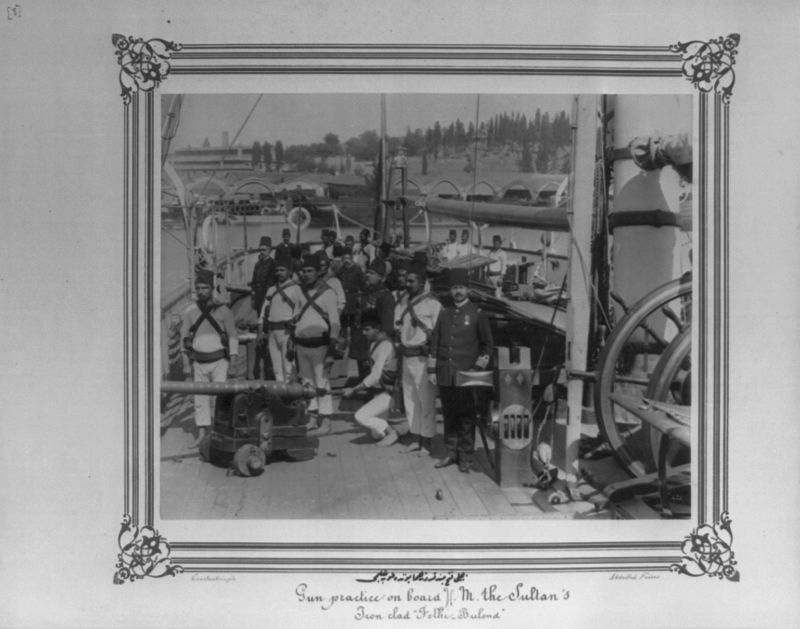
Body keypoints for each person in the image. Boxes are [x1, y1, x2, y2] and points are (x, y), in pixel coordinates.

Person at [429, 268, 493, 473]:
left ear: (468, 290)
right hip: (445, 373)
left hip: (466, 375)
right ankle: (451, 452)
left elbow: (487, 345)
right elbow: (435, 342)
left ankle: (466, 456)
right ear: (450, 290)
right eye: (455, 288)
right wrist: (432, 370)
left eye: (462, 287)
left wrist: (476, 368)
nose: (458, 291)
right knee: (449, 414)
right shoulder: (444, 313)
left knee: (466, 416)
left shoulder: (477, 314)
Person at [181, 269, 239, 447]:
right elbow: (184, 338)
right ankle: (201, 434)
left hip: (219, 361)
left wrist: (233, 361)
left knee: (221, 398)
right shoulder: (190, 311)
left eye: (205, 288)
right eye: (198, 288)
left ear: (212, 288)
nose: (201, 291)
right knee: (200, 400)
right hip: (199, 362)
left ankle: (220, 433)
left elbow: (232, 335)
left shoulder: (223, 310)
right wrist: (186, 364)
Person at [292, 253, 341, 437]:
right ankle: (312, 419)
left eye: (310, 271)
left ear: (318, 272)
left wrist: (331, 351)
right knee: (307, 383)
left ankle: (326, 422)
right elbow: (296, 316)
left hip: (320, 346)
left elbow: (335, 323)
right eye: (304, 271)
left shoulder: (328, 293)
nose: (306, 274)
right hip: (301, 345)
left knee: (322, 383)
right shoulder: (300, 292)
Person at [395, 263, 442, 456]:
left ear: (422, 283)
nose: (407, 284)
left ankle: (427, 441)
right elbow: (398, 328)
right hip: (406, 357)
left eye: (411, 281)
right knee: (410, 399)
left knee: (426, 401)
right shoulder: (403, 303)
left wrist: (434, 362)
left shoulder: (433, 304)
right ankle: (415, 437)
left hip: (423, 359)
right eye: (406, 280)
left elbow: (438, 334)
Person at [342, 310, 399, 447]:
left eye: (367, 329)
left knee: (360, 416)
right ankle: (397, 429)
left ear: (377, 328)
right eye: (363, 329)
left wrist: (354, 390)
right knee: (376, 435)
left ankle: (392, 433)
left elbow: (375, 376)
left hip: (390, 393)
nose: (364, 333)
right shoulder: (374, 344)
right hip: (379, 392)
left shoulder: (385, 345)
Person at [348, 258, 395, 380]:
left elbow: (387, 326)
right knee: (363, 378)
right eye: (367, 272)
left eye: (372, 273)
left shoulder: (386, 296)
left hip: (375, 344)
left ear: (381, 278)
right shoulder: (364, 293)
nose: (368, 275)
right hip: (362, 343)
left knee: (375, 380)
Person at [256, 255, 299, 383]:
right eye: (277, 270)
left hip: (287, 332)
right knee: (276, 368)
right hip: (272, 332)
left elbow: (299, 312)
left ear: (289, 272)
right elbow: (263, 312)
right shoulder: (271, 289)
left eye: (282, 270)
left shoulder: (296, 289)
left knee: (288, 366)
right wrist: (260, 332)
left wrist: (294, 334)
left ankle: (290, 392)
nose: (279, 273)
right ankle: (281, 392)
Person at [250, 236, 276, 379]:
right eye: (260, 249)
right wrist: (253, 297)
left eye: (264, 250)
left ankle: (267, 339)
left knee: (267, 318)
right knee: (260, 316)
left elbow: (273, 282)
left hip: (267, 294)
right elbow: (254, 281)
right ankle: (262, 336)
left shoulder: (273, 264)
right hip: (259, 294)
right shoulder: (257, 264)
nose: (262, 252)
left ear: (270, 250)